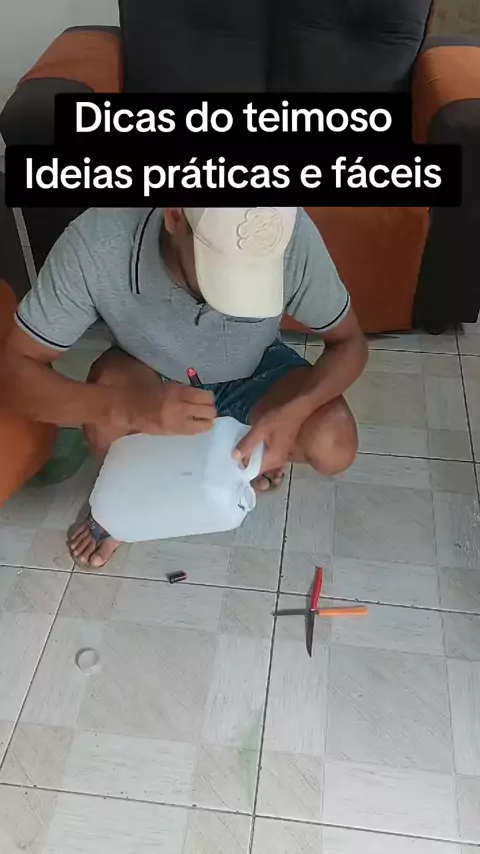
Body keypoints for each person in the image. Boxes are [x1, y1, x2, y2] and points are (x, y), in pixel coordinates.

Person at [0, 206, 368, 567]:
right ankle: (130, 507)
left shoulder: (279, 226)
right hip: (148, 369)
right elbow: (13, 373)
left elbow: (350, 343)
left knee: (332, 441)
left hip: (255, 366)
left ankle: (230, 456)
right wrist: (128, 407)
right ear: (174, 216)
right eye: (223, 267)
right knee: (106, 421)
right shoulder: (99, 241)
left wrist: (294, 412)